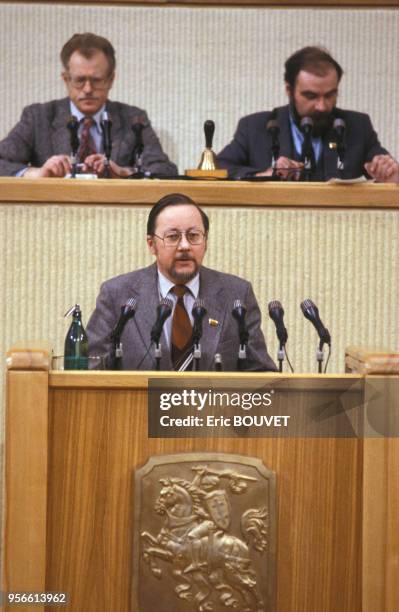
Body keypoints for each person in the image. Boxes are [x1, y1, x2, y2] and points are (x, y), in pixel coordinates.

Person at [86, 193, 276, 372]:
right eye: (173, 237)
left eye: (193, 236)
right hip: (136, 407)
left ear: (206, 241)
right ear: (151, 244)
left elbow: (261, 376)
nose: (184, 246)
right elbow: (90, 372)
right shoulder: (117, 295)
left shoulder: (236, 294)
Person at [0, 32, 177, 178]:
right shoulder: (39, 117)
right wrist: (36, 173)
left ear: (111, 80)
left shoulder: (133, 119)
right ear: (66, 79)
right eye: (79, 80)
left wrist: (126, 173)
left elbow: (166, 171)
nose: (88, 89)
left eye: (96, 80)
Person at [217, 46, 393, 182]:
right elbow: (217, 170)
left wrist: (389, 171)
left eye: (330, 95)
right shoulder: (255, 127)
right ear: (289, 90)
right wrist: (266, 174)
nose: (322, 106)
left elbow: (388, 172)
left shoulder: (357, 126)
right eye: (310, 96)